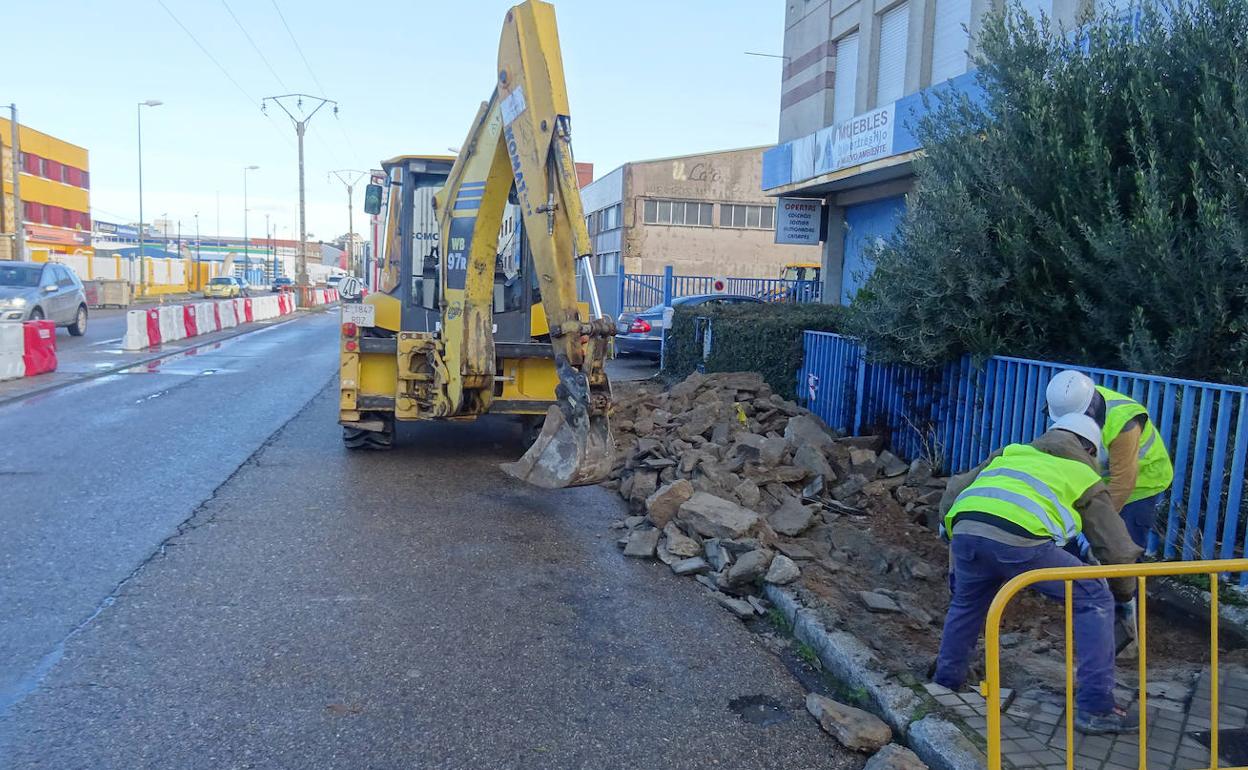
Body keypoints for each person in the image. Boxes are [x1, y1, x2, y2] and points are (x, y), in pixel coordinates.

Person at [932, 413, 1144, 735]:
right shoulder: (1081, 473)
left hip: (966, 531)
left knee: (967, 604)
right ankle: (1095, 708)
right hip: (1019, 541)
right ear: (1089, 449)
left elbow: (956, 486)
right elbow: (1118, 549)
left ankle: (945, 682)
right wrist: (1123, 593)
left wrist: (949, 532)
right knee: (1094, 596)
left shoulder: (1014, 452)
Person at [1046, 370, 1174, 549]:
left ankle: (1130, 575)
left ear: (1088, 410)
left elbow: (1123, 483)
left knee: (1123, 545)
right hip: (1101, 480)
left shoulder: (1123, 421)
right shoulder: (1074, 400)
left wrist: (1096, 525)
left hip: (1141, 483)